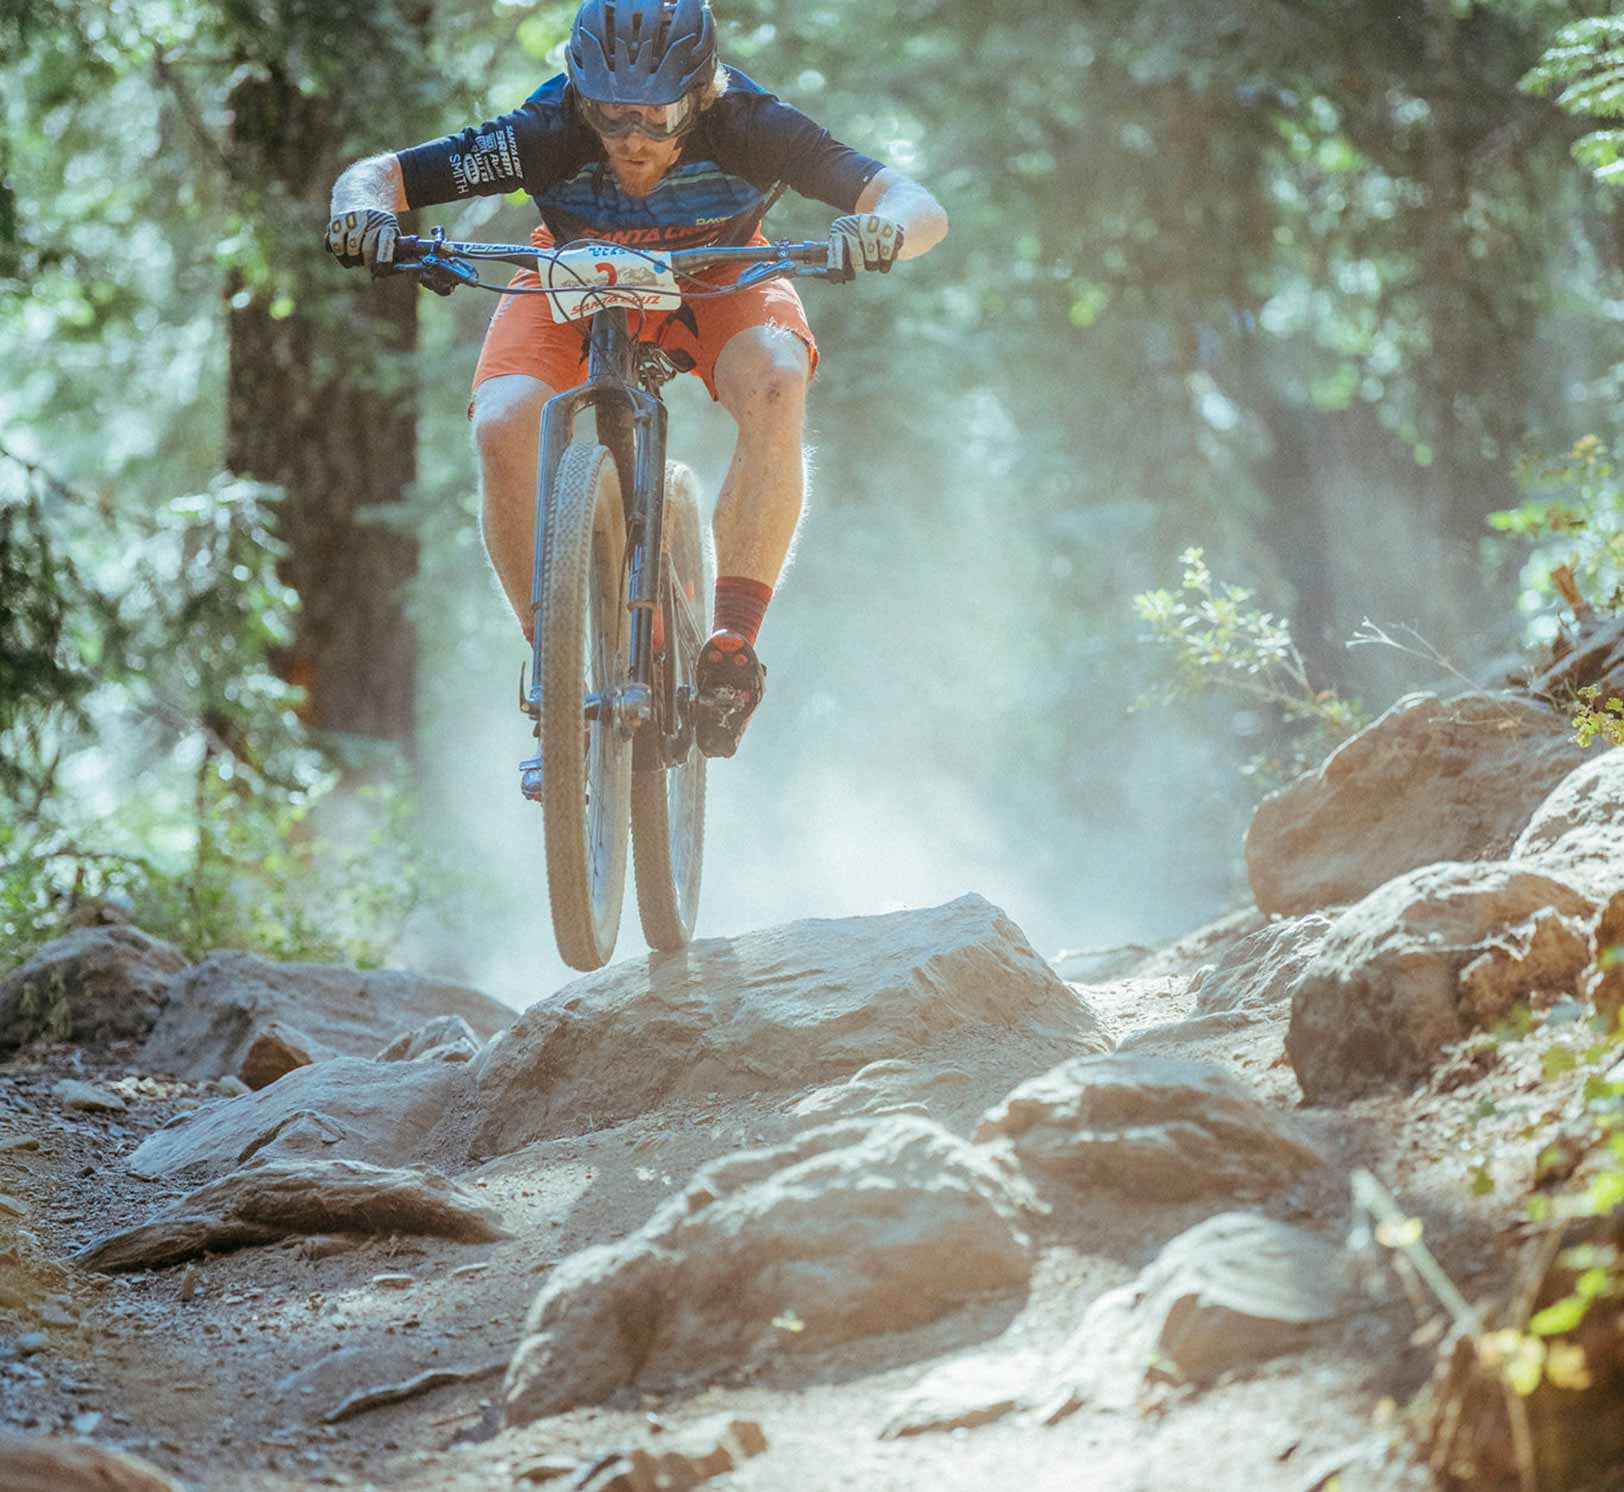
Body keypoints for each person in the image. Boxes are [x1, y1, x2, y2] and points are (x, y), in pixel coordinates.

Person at [324, 0, 947, 757]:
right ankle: (553, 663)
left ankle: (730, 648)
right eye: (611, 117)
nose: (632, 140)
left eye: (657, 118)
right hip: (570, 275)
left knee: (779, 380)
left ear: (703, 94)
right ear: (580, 96)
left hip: (721, 275)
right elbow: (380, 175)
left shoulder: (751, 123)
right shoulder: (545, 131)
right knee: (502, 422)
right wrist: (364, 214)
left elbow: (915, 205)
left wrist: (881, 231)